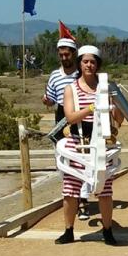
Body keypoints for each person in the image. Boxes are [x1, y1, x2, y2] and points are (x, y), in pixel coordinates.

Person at [54, 45, 125, 245]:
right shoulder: (71, 88)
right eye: (85, 61)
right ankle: (69, 230)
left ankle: (108, 230)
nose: (89, 65)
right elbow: (70, 116)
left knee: (105, 188)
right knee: (71, 188)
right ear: (80, 63)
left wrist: (114, 103)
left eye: (92, 61)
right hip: (78, 141)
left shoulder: (107, 87)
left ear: (97, 65)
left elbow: (118, 119)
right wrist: (92, 107)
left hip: (102, 141)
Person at [43, 38, 91, 220]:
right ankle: (71, 196)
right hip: (61, 117)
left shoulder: (81, 74)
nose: (64, 57)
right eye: (61, 54)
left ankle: (84, 199)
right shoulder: (55, 75)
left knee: (83, 158)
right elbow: (51, 97)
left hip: (81, 117)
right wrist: (47, 100)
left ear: (73, 54)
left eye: (67, 54)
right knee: (63, 158)